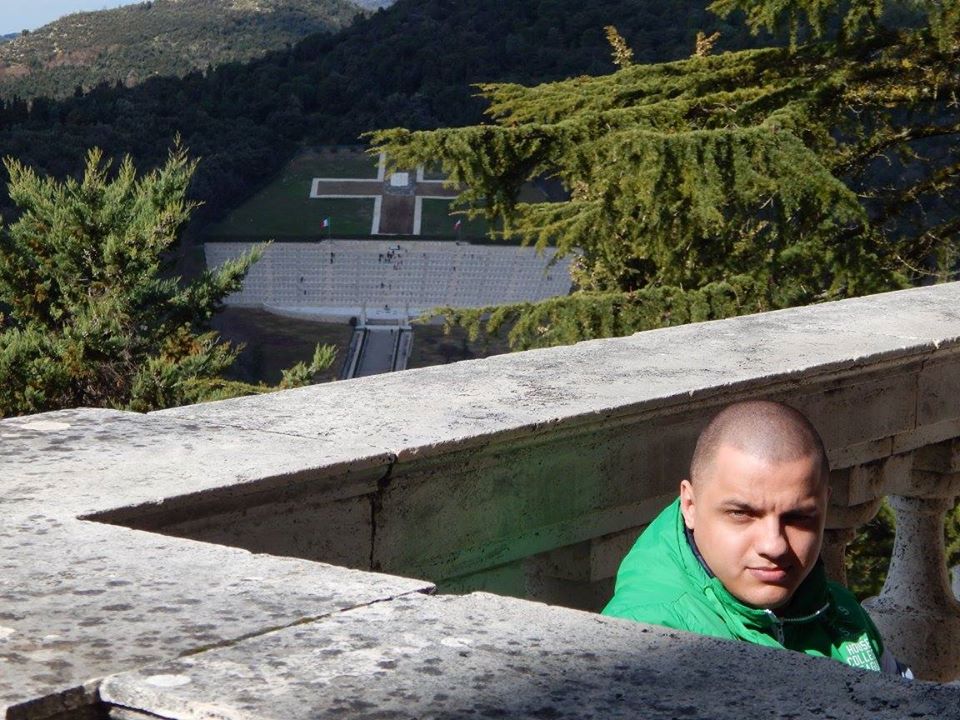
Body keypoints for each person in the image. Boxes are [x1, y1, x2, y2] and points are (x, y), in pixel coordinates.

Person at [602, 400, 910, 676]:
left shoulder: (840, 612)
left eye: (798, 517)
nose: (773, 545)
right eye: (741, 514)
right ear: (690, 506)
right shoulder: (645, 641)